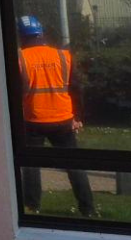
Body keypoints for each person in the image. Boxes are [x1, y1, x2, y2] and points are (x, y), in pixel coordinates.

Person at [16, 15, 96, 216]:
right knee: (74, 165)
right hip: (63, 118)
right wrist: (78, 116)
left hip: (33, 119)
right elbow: (76, 88)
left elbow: (15, 90)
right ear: (41, 33)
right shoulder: (63, 56)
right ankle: (88, 207)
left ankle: (32, 206)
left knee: (32, 166)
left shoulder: (20, 58)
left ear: (21, 37)